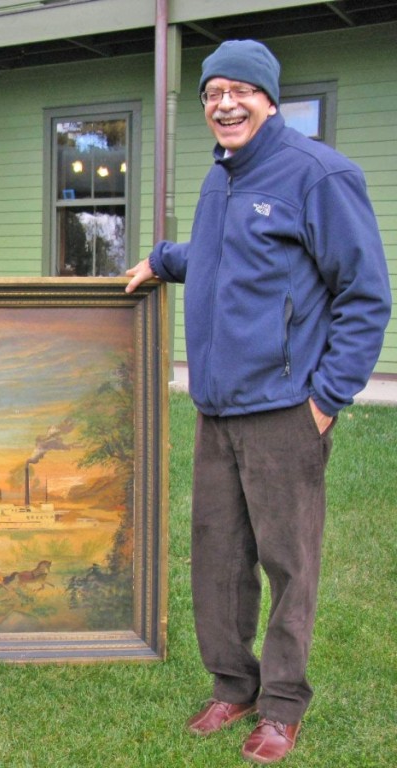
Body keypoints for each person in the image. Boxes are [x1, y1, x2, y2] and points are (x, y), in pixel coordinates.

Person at [126, 40, 390, 764]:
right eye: (213, 92)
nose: (224, 104)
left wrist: (327, 399)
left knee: (287, 563)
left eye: (241, 90)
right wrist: (163, 259)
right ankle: (232, 685)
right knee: (219, 559)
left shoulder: (319, 175)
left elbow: (365, 296)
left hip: (284, 412)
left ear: (270, 100)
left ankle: (280, 705)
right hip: (217, 411)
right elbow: (222, 256)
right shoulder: (225, 177)